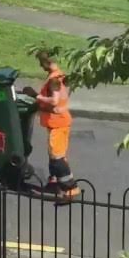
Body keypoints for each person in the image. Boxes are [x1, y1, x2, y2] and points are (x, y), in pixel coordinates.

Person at [22, 50, 78, 198]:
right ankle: (54, 184)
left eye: (41, 63)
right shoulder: (59, 75)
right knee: (56, 155)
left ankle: (71, 188)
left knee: (57, 157)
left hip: (57, 122)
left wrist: (36, 95)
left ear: (48, 62)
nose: (41, 66)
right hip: (60, 121)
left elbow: (54, 100)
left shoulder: (54, 79)